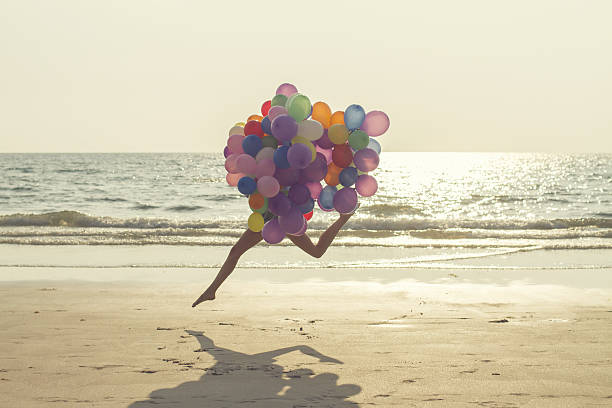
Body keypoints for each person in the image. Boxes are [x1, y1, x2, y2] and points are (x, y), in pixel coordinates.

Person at [192, 208, 356, 307]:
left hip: (286, 214)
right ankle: (211, 290)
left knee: (317, 252)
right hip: (268, 214)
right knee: (235, 252)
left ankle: (343, 218)